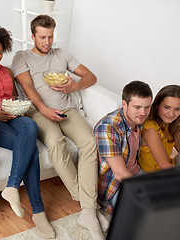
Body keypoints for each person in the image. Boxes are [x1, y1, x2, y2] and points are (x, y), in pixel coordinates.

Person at [11, 15, 108, 240]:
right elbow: (27, 87)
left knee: (89, 142)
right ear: (32, 36)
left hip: (67, 110)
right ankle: (89, 206)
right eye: (42, 37)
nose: (47, 42)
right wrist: (44, 110)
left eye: (51, 36)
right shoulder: (21, 57)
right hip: (39, 112)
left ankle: (87, 210)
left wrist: (74, 85)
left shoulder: (62, 54)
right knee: (55, 142)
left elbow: (91, 76)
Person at [0, 26, 55, 239]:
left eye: (0, 52)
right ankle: (38, 212)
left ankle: (12, 186)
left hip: (13, 117)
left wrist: (19, 108)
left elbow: (15, 97)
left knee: (31, 126)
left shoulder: (7, 72)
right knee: (32, 151)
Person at [94, 80, 153, 214]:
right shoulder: (108, 127)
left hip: (137, 173)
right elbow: (120, 173)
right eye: (137, 107)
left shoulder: (140, 119)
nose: (143, 113)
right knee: (145, 213)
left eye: (147, 107)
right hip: (116, 186)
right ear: (124, 104)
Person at [138, 85, 180, 172]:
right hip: (153, 177)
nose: (171, 114)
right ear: (157, 105)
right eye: (167, 107)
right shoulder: (151, 130)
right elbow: (164, 166)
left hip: (169, 168)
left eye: (177, 109)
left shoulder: (171, 125)